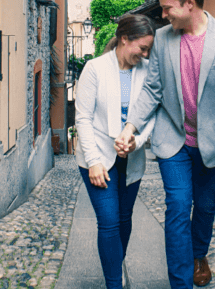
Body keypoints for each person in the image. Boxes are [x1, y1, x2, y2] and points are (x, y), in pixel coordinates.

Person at [115, 0, 215, 288]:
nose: (161, 14)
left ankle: (198, 254)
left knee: (205, 206)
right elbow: (152, 90)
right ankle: (181, 282)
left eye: (167, 8)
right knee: (178, 206)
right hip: (172, 139)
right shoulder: (162, 40)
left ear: (189, 3)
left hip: (210, 141)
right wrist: (130, 128)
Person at [74, 14, 157, 289]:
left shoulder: (147, 71)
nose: (145, 54)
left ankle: (115, 261)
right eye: (141, 48)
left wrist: (138, 141)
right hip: (96, 158)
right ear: (124, 39)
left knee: (124, 218)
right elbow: (83, 118)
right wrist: (94, 162)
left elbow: (151, 114)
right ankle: (114, 283)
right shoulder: (95, 68)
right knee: (109, 221)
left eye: (148, 49)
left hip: (131, 158)